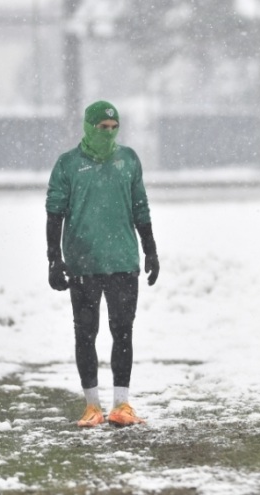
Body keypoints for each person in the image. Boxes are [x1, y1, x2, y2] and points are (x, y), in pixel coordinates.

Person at [46, 100, 160, 428]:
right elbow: (54, 212)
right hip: (84, 264)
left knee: (123, 332)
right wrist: (55, 258)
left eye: (113, 128)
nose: (108, 134)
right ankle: (91, 406)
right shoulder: (68, 164)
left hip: (123, 261)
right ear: (88, 127)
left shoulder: (128, 160)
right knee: (86, 334)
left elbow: (141, 208)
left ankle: (121, 404)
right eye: (102, 128)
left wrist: (150, 250)